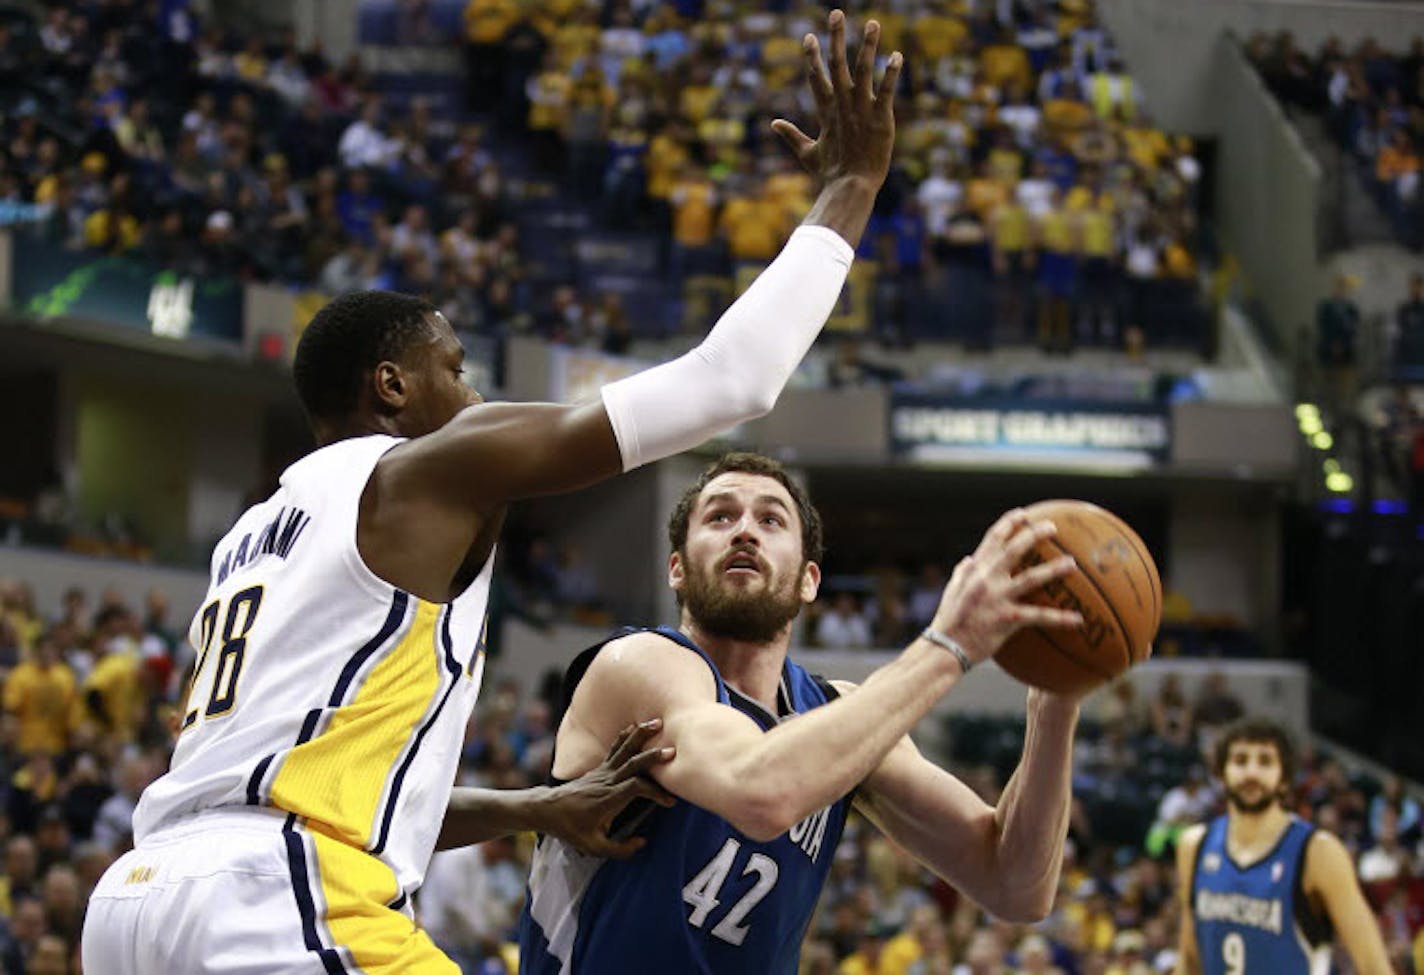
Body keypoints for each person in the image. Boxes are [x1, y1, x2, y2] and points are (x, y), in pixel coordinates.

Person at [81, 9, 899, 971]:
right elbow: (732, 382)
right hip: (279, 898)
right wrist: (849, 189)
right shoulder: (432, 465)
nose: (473, 394)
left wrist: (537, 808)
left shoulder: (253, 538)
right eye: (455, 368)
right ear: (392, 387)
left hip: (136, 902)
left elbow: (317, 781)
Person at [518, 452, 1086, 973]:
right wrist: (950, 644)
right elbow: (761, 790)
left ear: (809, 579)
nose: (744, 529)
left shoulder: (837, 714)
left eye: (771, 520)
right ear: (677, 570)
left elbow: (1017, 886)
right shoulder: (639, 663)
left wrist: (1055, 701)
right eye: (719, 517)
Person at [1173, 718, 1392, 975]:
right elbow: (1189, 961)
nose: (1251, 772)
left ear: (1285, 779)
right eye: (1240, 760)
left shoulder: (1317, 852)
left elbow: (1374, 966)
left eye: (1265, 761)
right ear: (1222, 774)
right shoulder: (1194, 845)